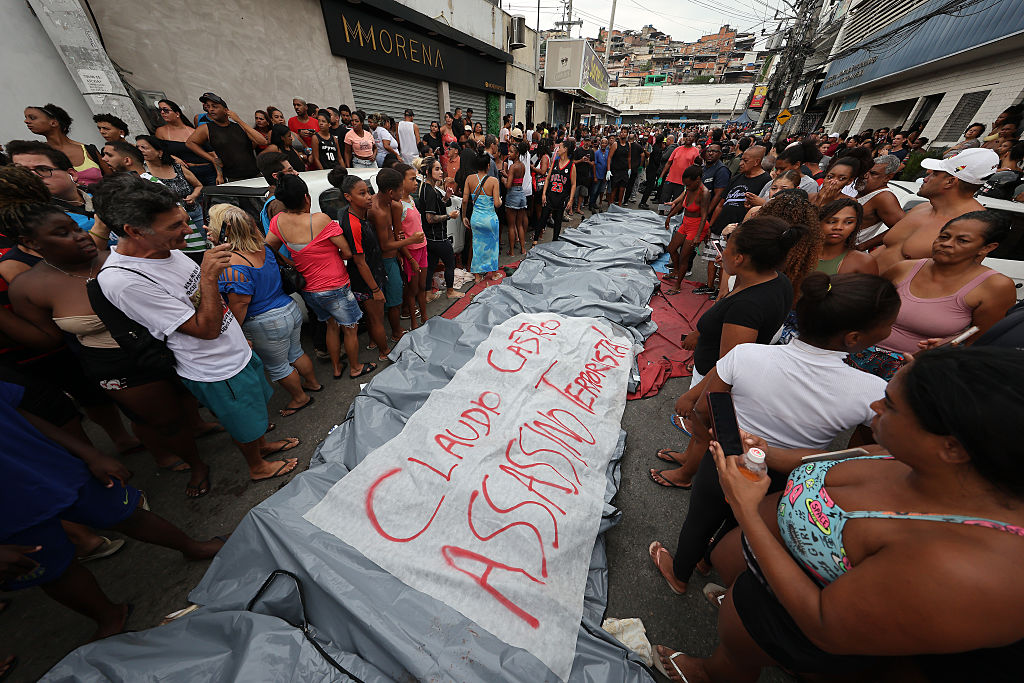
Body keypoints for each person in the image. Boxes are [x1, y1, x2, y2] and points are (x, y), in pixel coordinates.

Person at [656, 346, 1024, 683]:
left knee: (736, 658)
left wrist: (746, 510)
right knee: (739, 618)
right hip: (762, 580)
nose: (876, 407)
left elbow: (823, 625)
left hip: (787, 622)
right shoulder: (909, 453)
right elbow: (830, 460)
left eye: (892, 405)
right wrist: (767, 454)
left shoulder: (971, 568)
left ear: (952, 447)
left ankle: (710, 673)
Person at [650, 271, 897, 601]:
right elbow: (864, 451)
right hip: (790, 478)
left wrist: (714, 435)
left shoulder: (746, 356)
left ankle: (679, 573)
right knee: (743, 524)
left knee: (700, 518)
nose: (892, 332)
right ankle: (708, 562)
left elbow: (708, 409)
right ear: (854, 337)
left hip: (724, 460)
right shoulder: (874, 392)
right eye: (889, 325)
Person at [6, 192, 217, 497]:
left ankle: (197, 426)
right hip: (114, 363)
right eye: (63, 233)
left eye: (77, 227)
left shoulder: (119, 258)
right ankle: (195, 464)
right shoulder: (28, 287)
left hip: (160, 345)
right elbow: (47, 341)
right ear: (33, 243)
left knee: (185, 396)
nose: (80, 236)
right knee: (160, 419)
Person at [96, 176, 301, 482]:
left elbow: (213, 303)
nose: (188, 229)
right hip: (216, 368)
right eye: (175, 226)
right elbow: (205, 329)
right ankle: (257, 467)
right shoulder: (123, 280)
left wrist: (239, 333)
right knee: (241, 422)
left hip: (237, 351)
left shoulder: (166, 250)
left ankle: (263, 447)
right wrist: (208, 275)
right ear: (134, 231)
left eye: (184, 219)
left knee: (255, 414)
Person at [0, 381, 226, 640]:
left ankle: (192, 546)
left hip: (56, 471)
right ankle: (108, 615)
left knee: (128, 513)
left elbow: (22, 413)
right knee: (53, 571)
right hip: (10, 515)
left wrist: (89, 453)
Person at [654, 217, 803, 488]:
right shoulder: (774, 280)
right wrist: (702, 333)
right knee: (700, 432)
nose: (720, 254)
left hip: (716, 380)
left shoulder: (748, 306)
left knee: (702, 426)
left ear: (742, 258)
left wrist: (693, 396)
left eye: (727, 249)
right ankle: (688, 458)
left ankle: (686, 476)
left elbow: (730, 363)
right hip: (713, 369)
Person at [850, 210, 1016, 380]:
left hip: (915, 371)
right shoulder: (904, 268)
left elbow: (979, 339)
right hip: (854, 354)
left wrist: (946, 347)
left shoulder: (995, 286)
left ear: (987, 247)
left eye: (962, 240)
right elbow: (865, 308)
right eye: (944, 237)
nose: (947, 244)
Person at [264, 174, 373, 382]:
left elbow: (268, 248)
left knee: (330, 326)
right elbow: (347, 252)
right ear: (306, 198)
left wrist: (291, 263)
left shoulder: (278, 221)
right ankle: (356, 368)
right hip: (335, 285)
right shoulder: (320, 220)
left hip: (309, 289)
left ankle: (336, 367)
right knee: (350, 328)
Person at [215, 204, 321, 417]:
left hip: (264, 320)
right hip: (288, 308)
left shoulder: (233, 265)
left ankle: (300, 397)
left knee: (279, 366)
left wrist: (233, 332)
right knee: (296, 352)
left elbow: (240, 304)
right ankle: (312, 383)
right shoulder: (264, 247)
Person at [873, 148, 997, 273]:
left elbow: (954, 278)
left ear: (950, 181)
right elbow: (888, 248)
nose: (925, 178)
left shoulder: (974, 226)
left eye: (934, 174)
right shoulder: (922, 207)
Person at [695, 146, 770, 297]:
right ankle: (709, 286)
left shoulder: (765, 181)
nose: (740, 163)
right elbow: (721, 204)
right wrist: (712, 224)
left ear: (757, 162)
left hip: (738, 230)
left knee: (727, 262)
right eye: (741, 159)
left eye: (745, 160)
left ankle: (722, 291)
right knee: (711, 257)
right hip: (721, 225)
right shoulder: (736, 178)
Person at [135, 135, 207, 262]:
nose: (140, 150)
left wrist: (193, 196)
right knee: (190, 254)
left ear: (159, 152)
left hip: (196, 214)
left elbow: (199, 185)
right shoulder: (145, 176)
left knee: (206, 246)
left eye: (144, 147)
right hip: (176, 221)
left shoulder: (177, 167)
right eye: (138, 148)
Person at [6, 140, 96, 233]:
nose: (33, 177)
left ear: (72, 174)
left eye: (42, 169)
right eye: (24, 172)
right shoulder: (31, 220)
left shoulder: (102, 194)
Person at [185, 93, 266, 183]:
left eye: (214, 106)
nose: (210, 109)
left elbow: (262, 141)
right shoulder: (206, 128)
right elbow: (190, 143)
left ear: (226, 110)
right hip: (232, 178)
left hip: (255, 174)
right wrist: (212, 159)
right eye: (208, 107)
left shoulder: (239, 126)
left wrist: (238, 120)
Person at [23, 104, 110, 186]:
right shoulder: (38, 153)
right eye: (26, 118)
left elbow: (113, 180)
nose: (26, 121)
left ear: (53, 123)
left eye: (32, 118)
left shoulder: (89, 150)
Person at [417, 156, 463, 302]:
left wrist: (446, 198)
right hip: (437, 237)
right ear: (428, 172)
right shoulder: (429, 190)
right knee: (450, 263)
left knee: (431, 265)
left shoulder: (429, 187)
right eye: (437, 169)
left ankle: (428, 293)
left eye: (440, 169)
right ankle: (450, 291)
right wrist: (449, 216)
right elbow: (430, 218)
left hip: (431, 237)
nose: (441, 172)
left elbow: (436, 207)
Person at [393, 164, 431, 330]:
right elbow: (399, 234)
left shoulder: (411, 200)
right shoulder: (398, 205)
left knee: (422, 286)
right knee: (412, 288)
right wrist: (408, 257)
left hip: (422, 248)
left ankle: (424, 316)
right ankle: (414, 321)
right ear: (401, 181)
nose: (416, 182)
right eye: (412, 179)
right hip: (411, 252)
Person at [662, 166, 709, 295]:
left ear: (698, 180)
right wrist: (669, 216)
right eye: (685, 185)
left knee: (684, 257)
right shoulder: (688, 189)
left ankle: (677, 285)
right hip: (686, 223)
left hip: (697, 226)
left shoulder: (704, 193)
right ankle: (676, 271)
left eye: (688, 184)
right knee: (671, 249)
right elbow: (680, 205)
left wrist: (698, 236)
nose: (686, 187)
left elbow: (704, 216)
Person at [155, 99, 216, 187]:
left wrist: (220, 174)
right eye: (160, 110)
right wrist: (172, 157)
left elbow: (212, 154)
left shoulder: (193, 131)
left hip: (208, 170)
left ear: (177, 113)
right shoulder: (161, 132)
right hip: (188, 172)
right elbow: (159, 151)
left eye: (165, 110)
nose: (162, 113)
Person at [463, 150, 503, 282]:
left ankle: (477, 275)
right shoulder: (493, 181)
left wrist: (464, 216)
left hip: (476, 219)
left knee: (477, 245)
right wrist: (501, 200)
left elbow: (464, 200)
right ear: (488, 166)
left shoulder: (469, 179)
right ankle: (493, 273)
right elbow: (497, 204)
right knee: (493, 245)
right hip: (490, 219)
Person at [852, 154, 905, 250]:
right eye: (865, 171)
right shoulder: (863, 190)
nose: (865, 176)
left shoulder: (884, 197)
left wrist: (862, 246)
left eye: (873, 173)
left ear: (887, 177)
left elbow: (903, 228)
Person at [817, 199, 878, 276]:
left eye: (848, 222)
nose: (838, 227)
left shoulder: (863, 262)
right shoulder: (802, 253)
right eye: (831, 221)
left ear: (856, 226)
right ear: (818, 223)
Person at [540, 138, 577, 243]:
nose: (557, 149)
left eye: (560, 147)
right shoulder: (555, 162)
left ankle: (555, 240)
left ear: (565, 149)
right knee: (543, 218)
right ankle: (535, 239)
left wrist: (570, 200)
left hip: (561, 198)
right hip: (551, 196)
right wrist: (544, 193)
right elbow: (548, 178)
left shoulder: (571, 165)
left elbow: (574, 184)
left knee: (558, 220)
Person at [660, 131, 701, 204]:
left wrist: (690, 183)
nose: (689, 138)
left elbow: (695, 168)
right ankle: (662, 214)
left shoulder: (696, 151)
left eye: (691, 137)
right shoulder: (677, 149)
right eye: (688, 136)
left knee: (676, 204)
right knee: (663, 202)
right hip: (670, 179)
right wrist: (661, 177)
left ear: (694, 139)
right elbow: (668, 163)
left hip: (683, 183)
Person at [504, 141, 530, 256]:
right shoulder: (522, 166)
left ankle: (512, 251)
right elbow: (517, 179)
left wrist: (503, 179)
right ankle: (523, 248)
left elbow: (508, 185)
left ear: (517, 153)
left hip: (513, 194)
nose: (509, 154)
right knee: (519, 224)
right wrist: (507, 175)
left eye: (511, 152)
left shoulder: (513, 166)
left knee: (511, 225)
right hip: (521, 194)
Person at [608, 128, 632, 206]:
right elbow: (609, 157)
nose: (623, 134)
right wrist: (608, 170)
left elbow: (629, 157)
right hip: (615, 170)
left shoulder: (629, 144)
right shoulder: (615, 144)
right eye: (621, 132)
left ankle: (620, 204)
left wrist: (629, 168)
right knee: (614, 189)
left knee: (622, 189)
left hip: (624, 170)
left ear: (627, 134)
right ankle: (611, 204)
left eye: (625, 132)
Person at [571, 137, 595, 216]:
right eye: (585, 141)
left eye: (588, 141)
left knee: (582, 193)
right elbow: (573, 161)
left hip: (586, 175)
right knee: (574, 193)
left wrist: (588, 161)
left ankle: (578, 208)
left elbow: (593, 163)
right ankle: (570, 208)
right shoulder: (578, 150)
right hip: (577, 175)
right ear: (583, 141)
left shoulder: (591, 151)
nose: (587, 143)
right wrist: (580, 160)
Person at [591, 136, 609, 211]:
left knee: (599, 191)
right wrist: (595, 176)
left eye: (605, 143)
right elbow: (594, 165)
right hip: (597, 175)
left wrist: (606, 175)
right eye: (602, 143)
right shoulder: (597, 153)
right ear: (600, 144)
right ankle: (591, 204)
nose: (604, 144)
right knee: (594, 191)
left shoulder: (608, 153)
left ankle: (595, 203)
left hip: (604, 175)